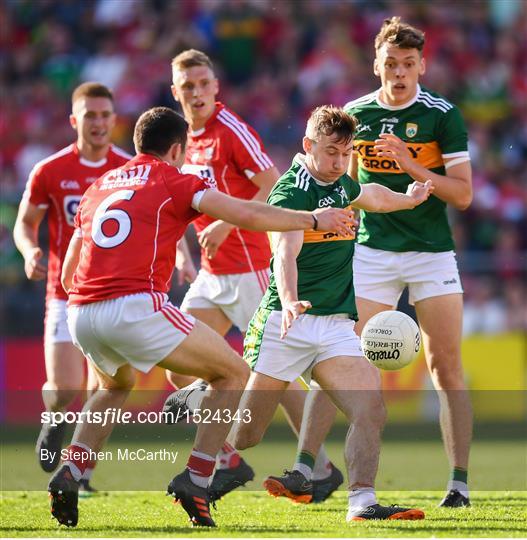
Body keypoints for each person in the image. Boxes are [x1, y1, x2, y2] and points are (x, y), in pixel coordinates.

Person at [48, 106, 354, 528]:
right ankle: (198, 476)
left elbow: (67, 274)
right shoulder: (175, 179)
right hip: (134, 305)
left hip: (81, 311)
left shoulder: (100, 184)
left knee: (113, 386)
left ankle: (72, 470)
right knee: (232, 374)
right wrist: (312, 218)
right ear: (177, 149)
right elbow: (246, 214)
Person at [285, 16, 474, 509]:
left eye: (409, 64)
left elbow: (464, 194)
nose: (399, 72)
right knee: (338, 357)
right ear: (376, 65)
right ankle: (304, 467)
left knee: (446, 366)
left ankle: (458, 484)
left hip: (432, 253)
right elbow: (329, 178)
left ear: (421, 66)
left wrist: (411, 162)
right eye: (390, 63)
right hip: (370, 252)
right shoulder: (355, 113)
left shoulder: (441, 114)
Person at [227, 105, 432, 521]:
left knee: (370, 409)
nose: (340, 162)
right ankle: (202, 405)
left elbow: (369, 195)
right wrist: (288, 300)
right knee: (246, 435)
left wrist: (407, 201)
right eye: (331, 153)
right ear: (308, 146)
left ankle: (362, 503)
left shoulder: (339, 183)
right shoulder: (290, 191)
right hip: (288, 324)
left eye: (345, 153)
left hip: (336, 324)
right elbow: (284, 252)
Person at [166, 48, 343, 502]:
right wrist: (181, 251)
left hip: (249, 271)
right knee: (176, 365)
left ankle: (319, 467)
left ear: (215, 86)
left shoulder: (231, 130)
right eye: (188, 86)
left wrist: (228, 223)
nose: (198, 92)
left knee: (275, 378)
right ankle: (229, 459)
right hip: (211, 274)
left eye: (204, 83)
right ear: (176, 92)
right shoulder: (186, 138)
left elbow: (272, 180)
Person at [13, 82, 131, 488]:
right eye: (90, 115)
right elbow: (25, 222)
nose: (98, 123)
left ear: (114, 121)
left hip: (113, 294)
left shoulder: (129, 168)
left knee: (105, 388)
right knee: (65, 390)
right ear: (73, 120)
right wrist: (30, 250)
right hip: (64, 293)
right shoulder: (50, 169)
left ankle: (79, 471)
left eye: (104, 115)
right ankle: (54, 416)